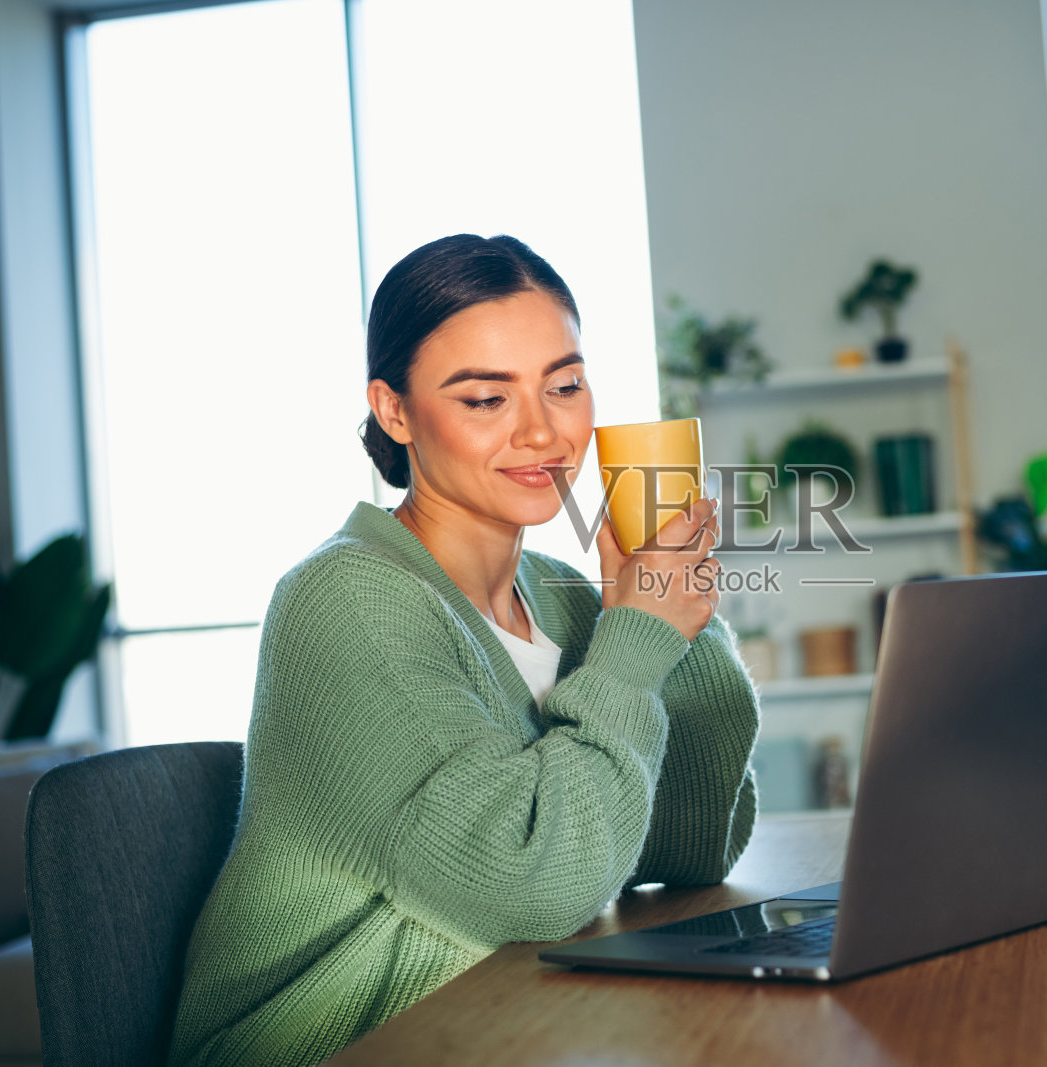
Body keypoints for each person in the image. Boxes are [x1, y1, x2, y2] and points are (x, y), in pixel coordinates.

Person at [168, 234, 760, 1067]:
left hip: (508, 1016)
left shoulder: (562, 594)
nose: (543, 431)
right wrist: (637, 641)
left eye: (565, 385)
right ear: (395, 409)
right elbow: (538, 887)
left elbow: (692, 841)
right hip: (335, 1041)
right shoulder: (348, 600)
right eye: (486, 399)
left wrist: (670, 611)